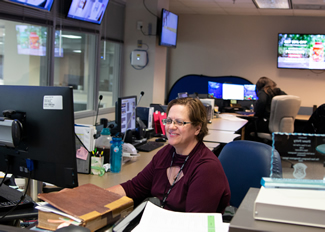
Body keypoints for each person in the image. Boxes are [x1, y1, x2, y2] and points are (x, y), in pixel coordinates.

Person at [107, 97, 230, 213]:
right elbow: (134, 188)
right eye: (169, 121)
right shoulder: (166, 153)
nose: (171, 127)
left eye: (179, 122)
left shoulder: (206, 169)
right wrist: (96, 196)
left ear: (197, 129)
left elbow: (194, 224)